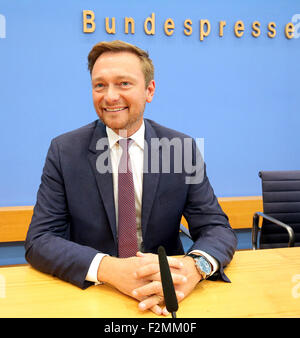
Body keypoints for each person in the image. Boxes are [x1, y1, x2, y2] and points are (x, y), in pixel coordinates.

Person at [25, 40, 237, 316]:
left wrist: (194, 268)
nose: (110, 96)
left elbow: (216, 227)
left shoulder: (181, 149)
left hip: (168, 292)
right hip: (94, 293)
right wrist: (109, 268)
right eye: (99, 85)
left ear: (149, 90)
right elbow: (40, 240)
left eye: (124, 83)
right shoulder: (64, 151)